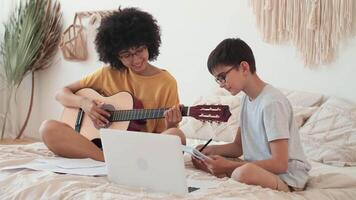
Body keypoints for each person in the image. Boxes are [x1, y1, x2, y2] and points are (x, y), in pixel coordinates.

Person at [40, 7, 186, 162]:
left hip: (139, 147)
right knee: (47, 128)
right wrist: (85, 104)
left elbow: (163, 135)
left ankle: (118, 160)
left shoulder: (166, 82)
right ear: (115, 56)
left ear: (149, 44)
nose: (135, 60)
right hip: (97, 146)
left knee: (177, 136)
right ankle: (107, 160)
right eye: (126, 55)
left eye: (139, 51)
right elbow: (61, 94)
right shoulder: (108, 73)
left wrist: (171, 124)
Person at [192, 38, 310, 192]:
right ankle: (225, 169)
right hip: (259, 169)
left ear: (244, 67)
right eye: (217, 80)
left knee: (243, 173)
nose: (221, 84)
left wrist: (229, 166)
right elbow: (238, 147)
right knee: (202, 160)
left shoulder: (272, 103)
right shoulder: (247, 100)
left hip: (286, 177)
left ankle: (229, 171)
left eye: (223, 76)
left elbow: (280, 163)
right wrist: (210, 150)